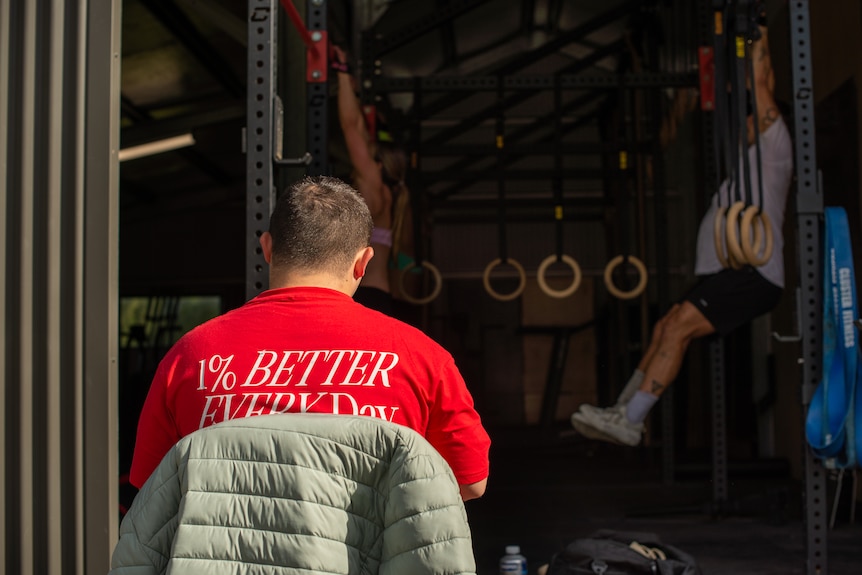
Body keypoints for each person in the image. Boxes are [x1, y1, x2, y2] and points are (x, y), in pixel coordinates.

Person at [129, 175, 490, 500]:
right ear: (363, 263)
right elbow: (470, 480)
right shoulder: (422, 357)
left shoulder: (190, 355)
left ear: (267, 248)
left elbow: (152, 485)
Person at [571, 21, 793, 446]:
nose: (748, 118)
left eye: (754, 114)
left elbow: (763, 81)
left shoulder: (776, 147)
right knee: (666, 326)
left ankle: (632, 419)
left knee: (676, 330)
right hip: (731, 272)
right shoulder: (749, 161)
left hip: (754, 273)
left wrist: (754, 32)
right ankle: (621, 409)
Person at [333, 45, 414, 316]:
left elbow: (351, 127)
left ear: (377, 164)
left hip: (366, 299)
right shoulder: (390, 197)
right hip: (377, 299)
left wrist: (342, 72)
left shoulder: (373, 185)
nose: (362, 153)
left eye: (368, 153)